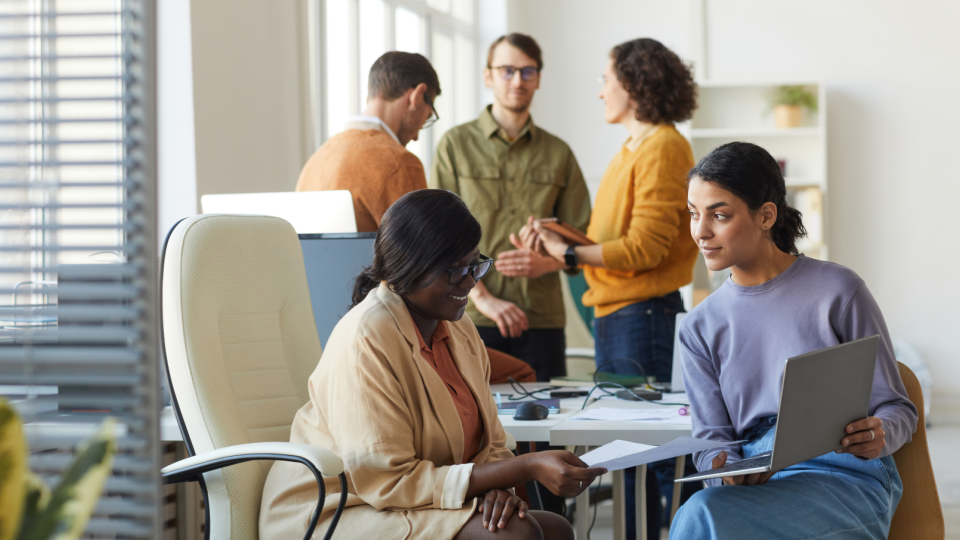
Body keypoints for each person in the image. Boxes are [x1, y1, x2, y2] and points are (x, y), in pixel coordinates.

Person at [259, 189, 606, 540]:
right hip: (338, 509)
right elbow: (388, 480)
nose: (471, 282)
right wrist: (525, 467)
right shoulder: (366, 338)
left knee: (555, 529)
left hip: (406, 500)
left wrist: (496, 487)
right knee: (514, 535)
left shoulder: (460, 329)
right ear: (410, 267)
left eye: (475, 265)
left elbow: (492, 443)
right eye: (455, 271)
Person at [671, 141, 918, 539]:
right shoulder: (699, 326)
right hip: (761, 481)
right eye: (693, 214)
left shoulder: (838, 290)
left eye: (719, 215)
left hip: (846, 478)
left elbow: (897, 407)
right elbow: (711, 439)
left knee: (702, 517)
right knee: (705, 509)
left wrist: (881, 432)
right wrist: (724, 471)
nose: (700, 231)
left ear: (766, 215)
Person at [519, 38, 700, 538]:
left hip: (642, 318)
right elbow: (615, 243)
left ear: (634, 84)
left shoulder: (664, 146)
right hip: (622, 317)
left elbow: (645, 249)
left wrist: (570, 254)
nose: (600, 91)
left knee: (651, 454)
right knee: (634, 452)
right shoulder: (632, 149)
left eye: (606, 79)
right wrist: (565, 239)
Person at [430, 33, 591, 383]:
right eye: (507, 70)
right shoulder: (455, 146)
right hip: (470, 314)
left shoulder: (559, 153)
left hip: (542, 319)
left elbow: (582, 240)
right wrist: (484, 299)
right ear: (488, 76)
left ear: (538, 78)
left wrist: (545, 262)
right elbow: (436, 237)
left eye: (527, 71)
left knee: (548, 428)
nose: (518, 81)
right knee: (473, 426)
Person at [296, 51, 439, 232]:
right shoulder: (400, 163)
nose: (416, 136)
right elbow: (423, 254)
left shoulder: (317, 160)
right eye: (425, 118)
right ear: (417, 96)